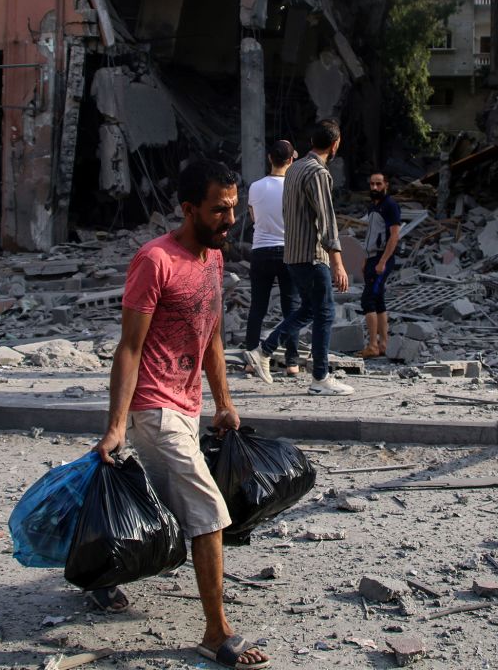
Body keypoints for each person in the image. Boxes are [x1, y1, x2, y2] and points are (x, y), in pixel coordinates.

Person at [92, 158, 271, 670]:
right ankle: (217, 633)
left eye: (234, 208)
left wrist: (224, 404)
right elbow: (129, 347)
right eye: (219, 210)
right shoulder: (155, 261)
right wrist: (116, 426)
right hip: (153, 407)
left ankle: (100, 576)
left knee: (161, 510)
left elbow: (211, 336)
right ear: (189, 208)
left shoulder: (213, 260)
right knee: (208, 511)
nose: (229, 220)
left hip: (187, 407)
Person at [244, 119, 353, 396]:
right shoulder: (317, 172)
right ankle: (319, 378)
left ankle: (264, 350)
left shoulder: (295, 170)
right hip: (311, 255)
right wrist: (338, 261)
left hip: (293, 255)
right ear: (335, 144)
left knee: (308, 310)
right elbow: (326, 220)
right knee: (325, 313)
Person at [243, 140, 301, 377]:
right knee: (292, 308)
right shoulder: (296, 186)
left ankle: (250, 359)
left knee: (258, 307)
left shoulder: (255, 187)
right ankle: (292, 363)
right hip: (289, 251)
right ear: (291, 160)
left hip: (261, 251)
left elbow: (255, 218)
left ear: (270, 158)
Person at [357, 172, 401, 358]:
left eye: (378, 184)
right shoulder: (373, 206)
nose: (375, 187)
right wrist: (366, 258)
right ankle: (383, 345)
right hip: (372, 258)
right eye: (372, 184)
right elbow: (372, 234)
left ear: (386, 185)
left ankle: (373, 345)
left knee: (367, 300)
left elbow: (394, 236)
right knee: (379, 301)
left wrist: (383, 261)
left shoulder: (390, 206)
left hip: (382, 258)